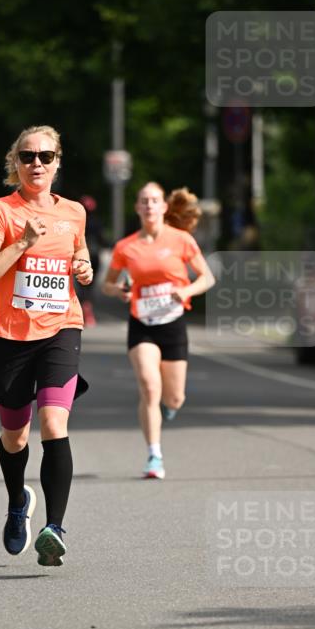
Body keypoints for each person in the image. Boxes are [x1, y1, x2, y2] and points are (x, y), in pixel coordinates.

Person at [0, 125, 94, 566]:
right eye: (27, 156)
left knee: (54, 425)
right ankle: (18, 501)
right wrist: (22, 243)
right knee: (15, 435)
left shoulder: (75, 212)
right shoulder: (0, 213)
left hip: (62, 328)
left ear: (58, 162)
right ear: (15, 163)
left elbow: (80, 256)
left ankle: (54, 529)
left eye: (44, 156)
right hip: (10, 337)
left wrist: (84, 267)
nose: (36, 163)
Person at [103, 183, 215, 480]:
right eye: (144, 201)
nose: (149, 206)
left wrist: (187, 290)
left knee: (175, 398)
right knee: (149, 387)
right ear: (137, 208)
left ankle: (166, 409)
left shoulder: (181, 240)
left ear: (164, 207)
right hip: (142, 324)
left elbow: (207, 277)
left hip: (173, 322)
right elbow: (107, 284)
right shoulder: (125, 247)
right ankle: (154, 455)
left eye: (154, 201)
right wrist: (120, 290)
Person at [76, 195, 103, 327]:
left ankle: (85, 311)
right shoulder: (97, 222)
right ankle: (88, 312)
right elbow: (102, 240)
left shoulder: (77, 221)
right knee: (90, 285)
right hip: (95, 256)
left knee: (81, 285)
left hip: (81, 256)